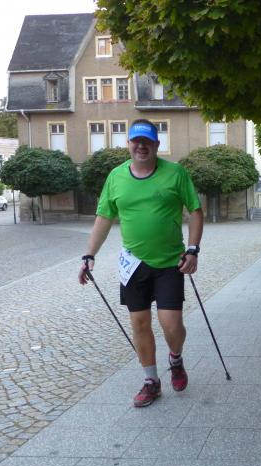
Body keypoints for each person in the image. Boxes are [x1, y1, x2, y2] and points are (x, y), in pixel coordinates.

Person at [78, 119, 204, 408]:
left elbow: (195, 211)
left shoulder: (176, 173)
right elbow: (104, 218)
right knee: (139, 322)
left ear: (157, 145)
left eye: (147, 141)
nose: (141, 146)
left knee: (172, 324)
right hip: (133, 264)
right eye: (136, 141)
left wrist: (193, 250)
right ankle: (151, 381)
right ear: (129, 144)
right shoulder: (116, 177)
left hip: (170, 262)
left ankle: (175, 359)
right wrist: (89, 255)